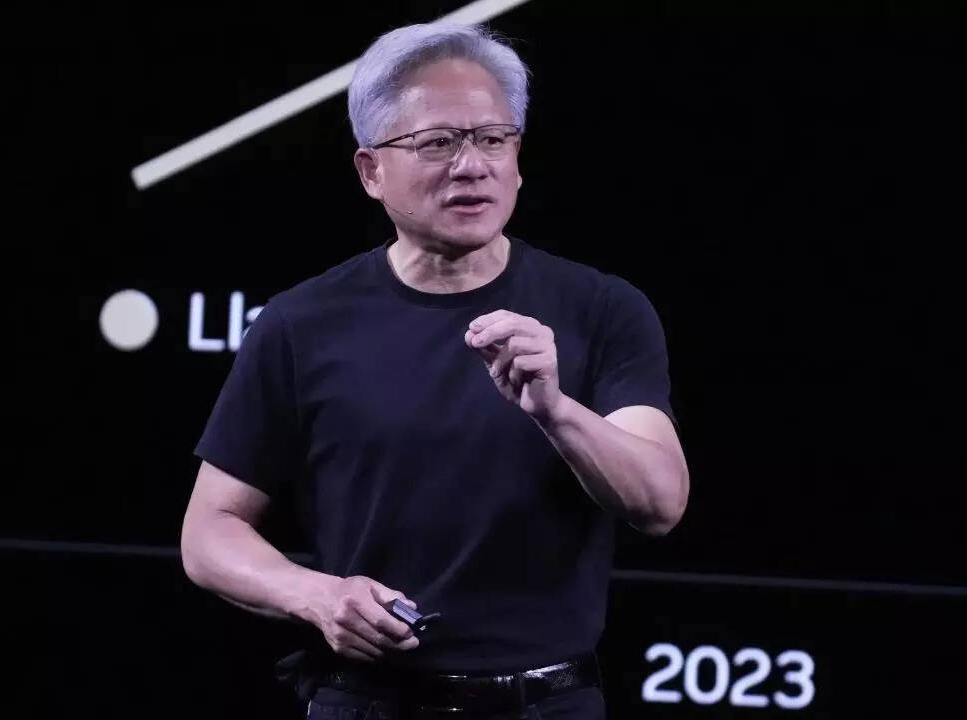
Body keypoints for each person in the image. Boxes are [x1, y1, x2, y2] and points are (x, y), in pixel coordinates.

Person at [180, 22, 689, 719]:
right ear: (371, 171)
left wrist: (556, 410)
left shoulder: (602, 308)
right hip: (368, 699)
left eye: (493, 139)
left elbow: (660, 502)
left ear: (517, 156)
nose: (472, 165)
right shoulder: (301, 323)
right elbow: (209, 532)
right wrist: (317, 595)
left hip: (548, 703)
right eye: (438, 142)